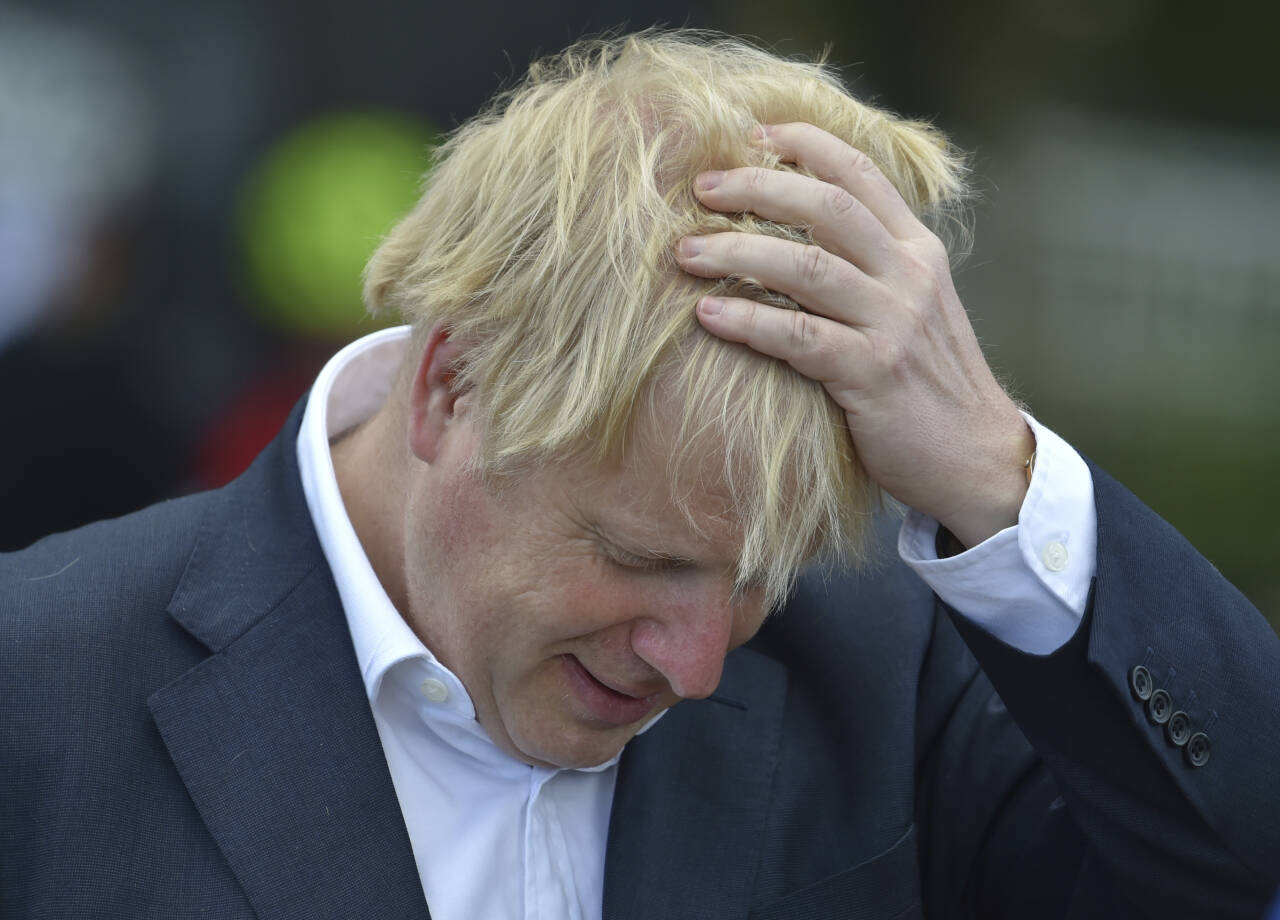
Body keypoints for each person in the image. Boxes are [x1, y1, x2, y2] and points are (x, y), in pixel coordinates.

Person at [2, 30, 1277, 920]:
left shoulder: (887, 676)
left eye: (753, 580)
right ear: (453, 385)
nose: (698, 661)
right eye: (640, 556)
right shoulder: (38, 689)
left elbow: (1233, 864)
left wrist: (1000, 475)